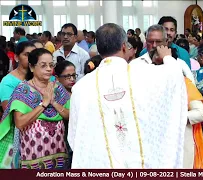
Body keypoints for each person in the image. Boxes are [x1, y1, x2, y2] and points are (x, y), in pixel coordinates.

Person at [68, 23, 188, 168]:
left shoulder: (81, 87)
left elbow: (75, 138)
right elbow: (174, 76)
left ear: (98, 49)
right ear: (124, 46)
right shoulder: (144, 74)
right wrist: (167, 57)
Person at [131, 25, 203, 169]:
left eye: (158, 42)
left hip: (178, 139)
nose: (154, 46)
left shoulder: (179, 66)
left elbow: (198, 110)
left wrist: (172, 118)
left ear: (166, 42)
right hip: (148, 138)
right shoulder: (136, 66)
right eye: (150, 42)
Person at [0, 48, 70, 169]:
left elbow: (70, 115)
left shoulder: (58, 88)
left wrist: (53, 102)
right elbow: (20, 123)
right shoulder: (23, 90)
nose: (49, 69)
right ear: (32, 67)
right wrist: (43, 104)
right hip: (32, 157)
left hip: (59, 154)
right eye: (43, 65)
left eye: (51, 65)